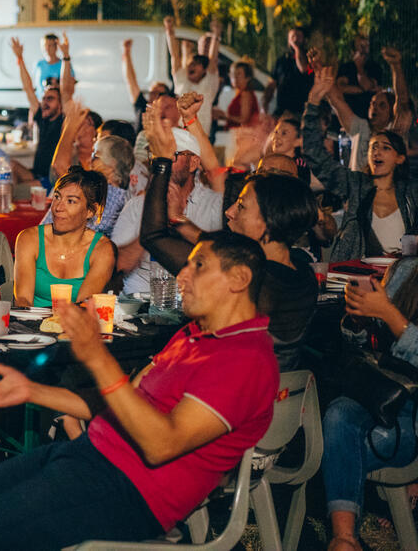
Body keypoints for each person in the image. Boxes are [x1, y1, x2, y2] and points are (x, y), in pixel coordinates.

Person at [0, 231, 278, 550]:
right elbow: (118, 405)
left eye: (198, 266)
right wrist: (31, 391)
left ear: (239, 279)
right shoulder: (194, 336)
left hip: (130, 494)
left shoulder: (245, 359)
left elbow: (161, 443)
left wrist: (98, 359)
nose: (182, 276)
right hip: (87, 457)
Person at [140, 102, 319, 370]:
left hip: (226, 399)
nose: (231, 212)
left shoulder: (240, 277)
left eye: (243, 205)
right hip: (283, 400)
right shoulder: (304, 274)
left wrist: (162, 162)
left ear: (269, 222)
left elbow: (153, 235)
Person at [321, 258, 418, 551]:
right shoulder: (405, 270)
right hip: (381, 396)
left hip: (410, 417)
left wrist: (391, 316)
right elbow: (365, 346)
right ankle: (345, 539)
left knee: (331, 449)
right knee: (338, 413)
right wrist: (358, 322)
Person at [304, 67, 418, 258]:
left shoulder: (411, 193)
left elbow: (404, 104)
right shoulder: (355, 185)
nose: (376, 152)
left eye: (385, 148)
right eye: (373, 147)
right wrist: (313, 102)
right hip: (356, 277)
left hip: (401, 281)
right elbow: (315, 154)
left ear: (400, 158)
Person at [112, 118, 223, 294]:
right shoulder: (137, 205)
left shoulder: (215, 205)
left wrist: (178, 218)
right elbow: (119, 265)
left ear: (193, 163)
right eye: (156, 156)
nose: (160, 163)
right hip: (139, 305)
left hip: (192, 302)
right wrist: (155, 220)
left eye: (172, 155)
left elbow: (224, 260)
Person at [14, 167, 114, 307]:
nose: (58, 207)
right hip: (30, 324)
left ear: (91, 211)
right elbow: (23, 301)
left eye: (71, 201)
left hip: (75, 325)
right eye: (57, 197)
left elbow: (84, 307)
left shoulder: (102, 250)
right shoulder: (30, 239)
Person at [323, 49, 412, 172]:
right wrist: (319, 71)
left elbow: (402, 102)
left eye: (382, 105)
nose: (374, 108)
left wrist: (396, 66)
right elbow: (336, 100)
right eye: (372, 104)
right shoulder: (360, 128)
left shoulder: (395, 132)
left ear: (392, 112)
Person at [12, 35, 74, 183]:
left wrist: (65, 56)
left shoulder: (63, 120)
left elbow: (65, 89)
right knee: (9, 165)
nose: (45, 102)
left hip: (53, 180)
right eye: (44, 99)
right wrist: (20, 58)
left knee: (21, 188)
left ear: (60, 104)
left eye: (50, 99)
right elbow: (28, 89)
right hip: (37, 174)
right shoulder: (43, 117)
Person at [164, 16, 222, 133]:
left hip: (202, 137)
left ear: (205, 70)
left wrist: (216, 35)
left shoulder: (209, 83)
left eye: (196, 64)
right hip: (180, 134)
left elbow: (213, 60)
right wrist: (169, 30)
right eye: (191, 64)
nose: (191, 66)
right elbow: (175, 56)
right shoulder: (181, 80)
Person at [121, 37, 173, 132]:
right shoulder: (142, 106)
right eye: (152, 92)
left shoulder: (168, 114)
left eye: (159, 93)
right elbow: (131, 81)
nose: (155, 95)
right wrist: (127, 53)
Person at [263, 27, 313, 116]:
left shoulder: (311, 60)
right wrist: (264, 105)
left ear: (305, 40)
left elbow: (304, 69)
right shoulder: (281, 61)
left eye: (298, 36)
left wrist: (297, 48)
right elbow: (271, 84)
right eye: (292, 37)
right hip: (282, 110)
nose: (295, 39)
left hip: (302, 111)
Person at [220, 61, 261, 129]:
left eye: (238, 74)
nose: (235, 77)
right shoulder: (240, 93)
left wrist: (223, 116)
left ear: (247, 78)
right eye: (233, 74)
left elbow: (244, 119)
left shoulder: (246, 94)